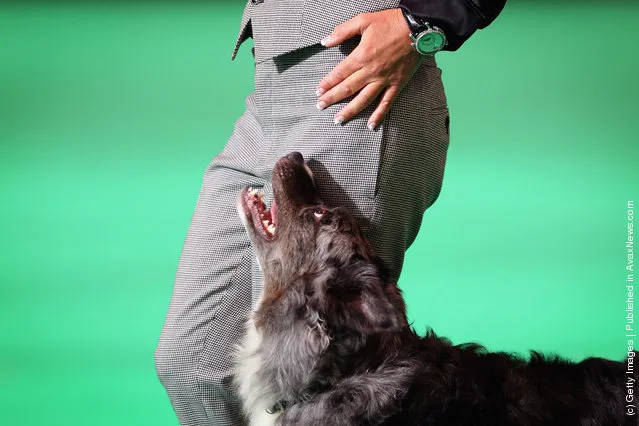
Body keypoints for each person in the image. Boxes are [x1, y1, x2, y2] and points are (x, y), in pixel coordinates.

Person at [155, 0, 507, 424]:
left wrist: (425, 22)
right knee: (192, 366)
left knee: (322, 395)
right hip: (270, 86)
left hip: (360, 92)